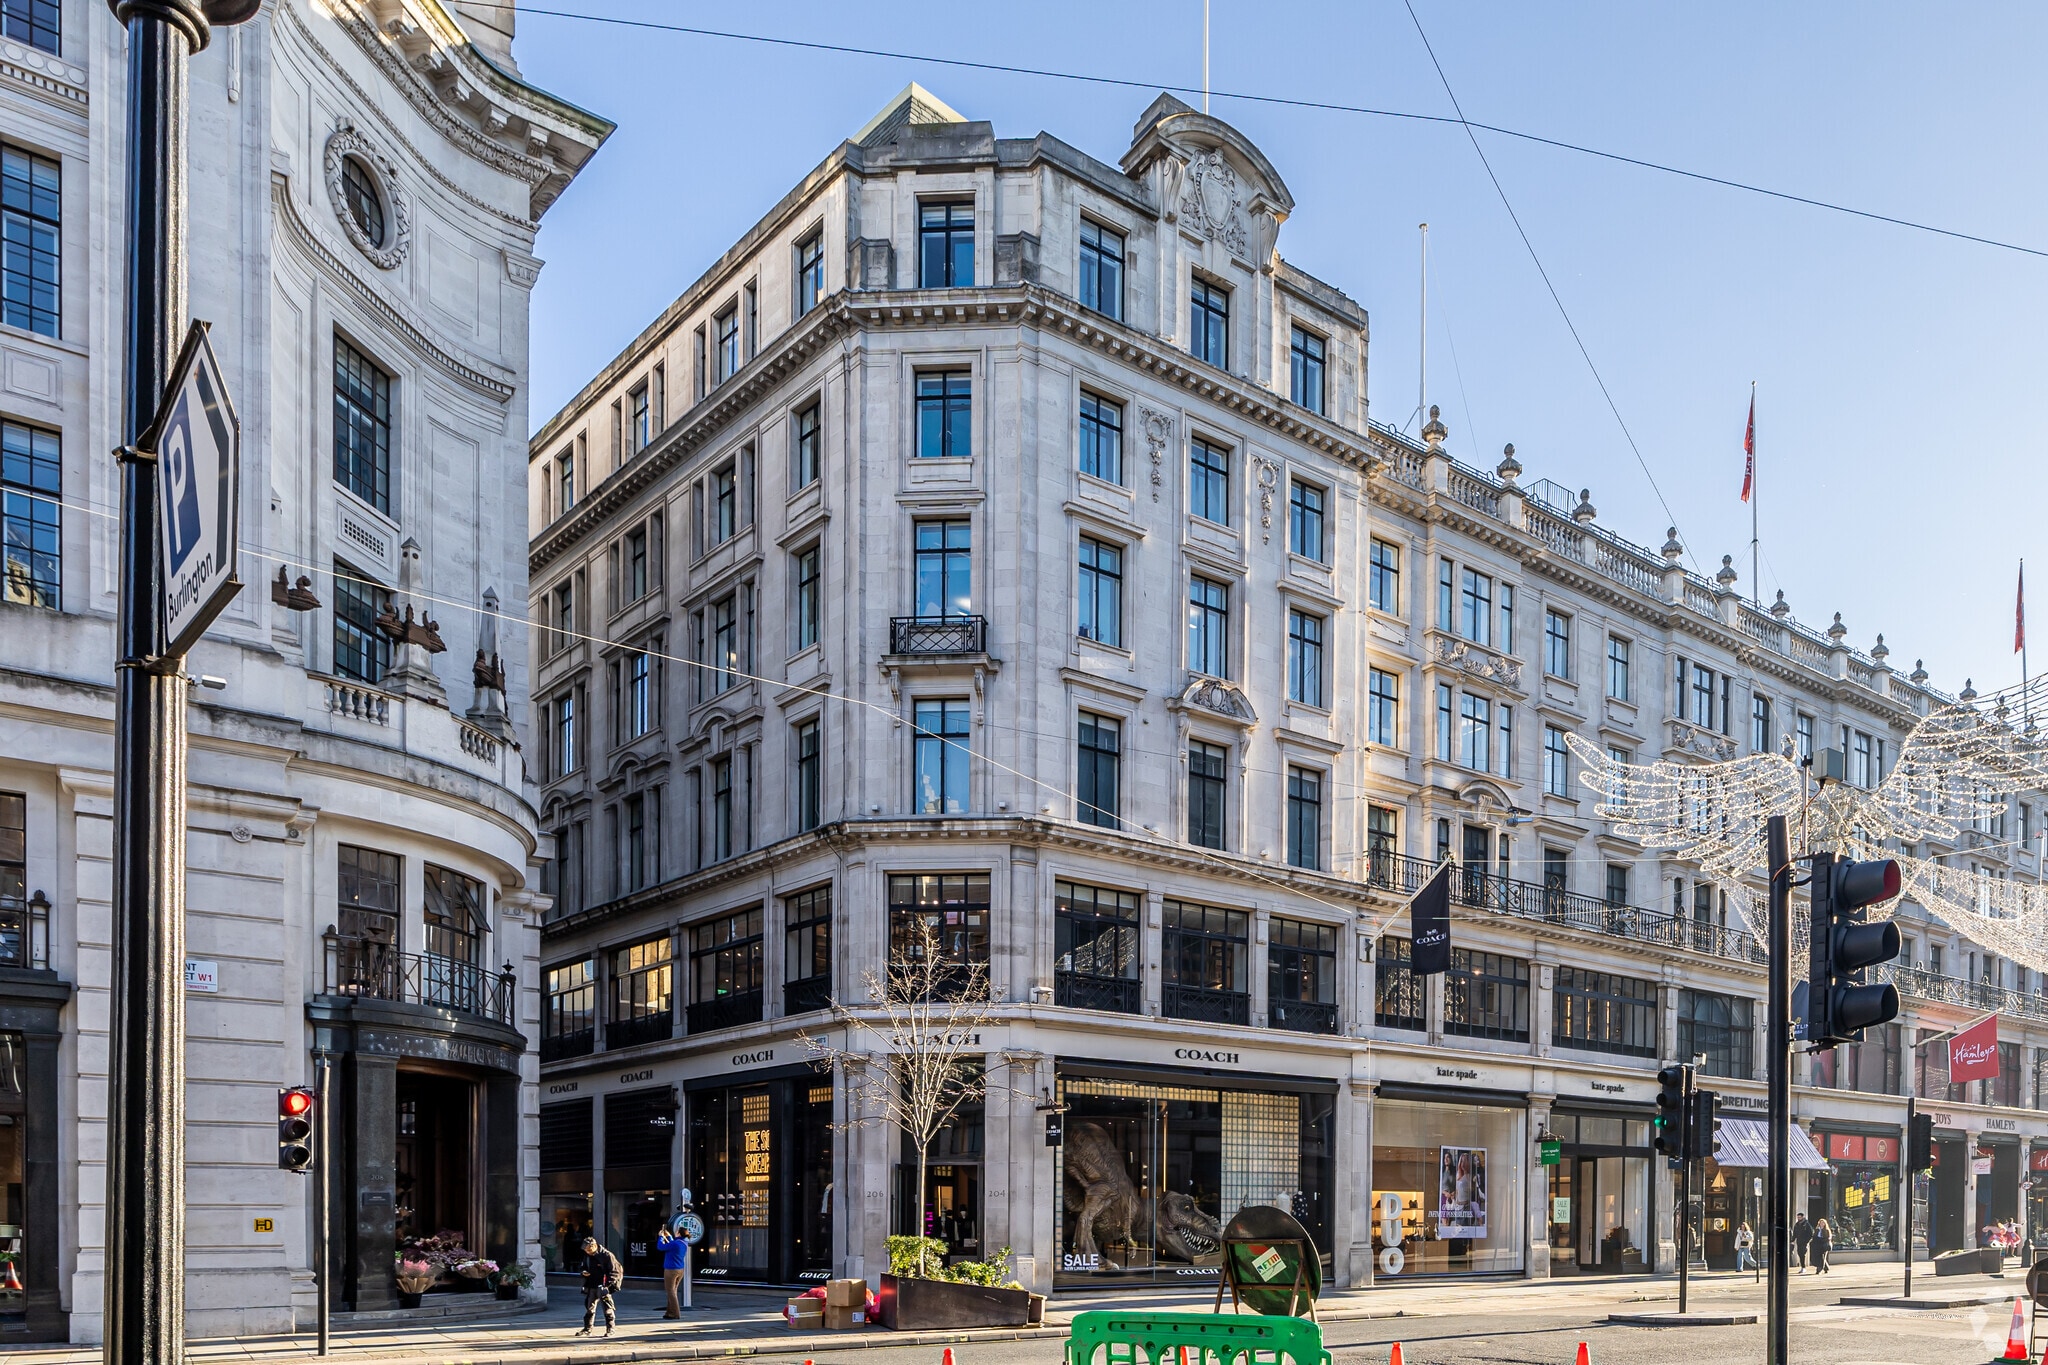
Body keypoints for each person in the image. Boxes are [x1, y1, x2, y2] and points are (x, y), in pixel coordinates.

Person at [577, 1235, 623, 1337]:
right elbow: (582, 1266)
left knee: (607, 1307)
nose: (587, 1252)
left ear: (594, 1246)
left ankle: (610, 1328)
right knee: (590, 1307)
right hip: (591, 1284)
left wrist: (608, 1285)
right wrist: (583, 1272)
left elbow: (615, 1271)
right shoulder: (587, 1256)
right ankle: (587, 1329)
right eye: (585, 1250)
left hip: (603, 1285)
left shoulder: (607, 1255)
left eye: (588, 1249)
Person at [658, 1216, 689, 1320]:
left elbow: (660, 1247)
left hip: (671, 1269)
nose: (675, 1232)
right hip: (680, 1269)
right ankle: (669, 1313)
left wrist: (661, 1237)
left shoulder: (675, 1244)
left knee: (670, 1291)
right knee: (673, 1291)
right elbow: (672, 1243)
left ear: (679, 1234)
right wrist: (669, 1236)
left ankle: (675, 1313)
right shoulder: (683, 1243)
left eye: (676, 1232)